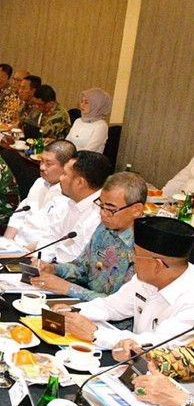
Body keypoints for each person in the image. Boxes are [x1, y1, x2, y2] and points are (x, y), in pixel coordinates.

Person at [58, 216, 194, 351]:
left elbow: (155, 344)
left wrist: (95, 333)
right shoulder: (146, 278)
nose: (132, 259)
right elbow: (112, 306)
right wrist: (74, 311)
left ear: (157, 265)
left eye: (136, 254)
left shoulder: (190, 302)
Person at [32, 172, 146, 300]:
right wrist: (53, 269)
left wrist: (69, 288)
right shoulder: (104, 229)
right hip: (86, 305)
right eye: (101, 205)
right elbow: (82, 268)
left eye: (110, 209)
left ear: (136, 210)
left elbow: (121, 305)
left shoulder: (144, 248)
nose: (103, 214)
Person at [35, 150, 112, 263]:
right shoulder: (67, 202)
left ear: (80, 182)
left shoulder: (100, 217)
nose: (60, 178)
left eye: (65, 174)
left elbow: (80, 265)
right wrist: (37, 264)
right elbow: (49, 239)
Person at [5, 140, 76, 245]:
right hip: (14, 245)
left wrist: (21, 254)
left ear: (66, 166)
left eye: (48, 163)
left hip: (35, 253)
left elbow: (53, 239)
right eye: (41, 161)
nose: (42, 167)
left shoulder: (70, 196)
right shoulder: (39, 182)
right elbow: (18, 215)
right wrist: (5, 243)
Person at [66, 88, 111, 153]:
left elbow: (88, 151)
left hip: (88, 161)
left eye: (86, 102)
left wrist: (68, 151)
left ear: (96, 105)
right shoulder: (78, 121)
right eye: (82, 101)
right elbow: (67, 143)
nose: (82, 105)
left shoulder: (101, 126)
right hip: (70, 158)